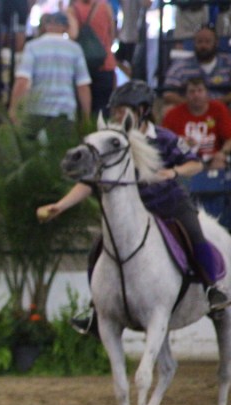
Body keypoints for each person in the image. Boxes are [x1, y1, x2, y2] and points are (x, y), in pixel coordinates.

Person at [38, 80, 230, 334]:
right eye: (115, 110)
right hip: (136, 212)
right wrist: (60, 206)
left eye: (122, 109)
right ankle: (95, 309)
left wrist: (173, 171)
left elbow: (193, 164)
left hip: (170, 204)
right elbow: (89, 183)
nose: (117, 115)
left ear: (142, 110)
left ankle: (212, 289)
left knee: (195, 236)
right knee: (97, 249)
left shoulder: (164, 138)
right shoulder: (111, 143)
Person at [8, 12, 92, 133]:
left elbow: (22, 80)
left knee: (34, 150)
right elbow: (83, 86)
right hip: (65, 111)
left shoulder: (32, 46)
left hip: (36, 110)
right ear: (65, 27)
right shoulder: (75, 49)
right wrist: (86, 117)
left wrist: (13, 109)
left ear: (46, 26)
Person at [162, 77, 231, 171]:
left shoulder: (219, 109)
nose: (196, 95)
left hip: (211, 159)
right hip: (183, 160)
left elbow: (229, 139)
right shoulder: (173, 114)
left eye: (200, 90)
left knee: (220, 164)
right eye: (192, 91)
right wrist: (182, 143)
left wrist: (222, 153)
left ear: (207, 93)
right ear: (185, 95)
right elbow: (164, 143)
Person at [66, 0, 117, 116]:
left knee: (83, 110)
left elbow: (73, 35)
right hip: (105, 62)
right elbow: (112, 34)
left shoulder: (73, 9)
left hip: (82, 66)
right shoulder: (105, 6)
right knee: (103, 108)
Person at [162, 26, 231, 110]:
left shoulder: (228, 62)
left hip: (223, 109)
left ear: (216, 43)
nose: (203, 45)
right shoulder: (181, 66)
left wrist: (216, 104)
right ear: (194, 43)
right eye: (199, 42)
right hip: (189, 111)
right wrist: (194, 105)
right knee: (168, 109)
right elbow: (168, 94)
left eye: (207, 41)